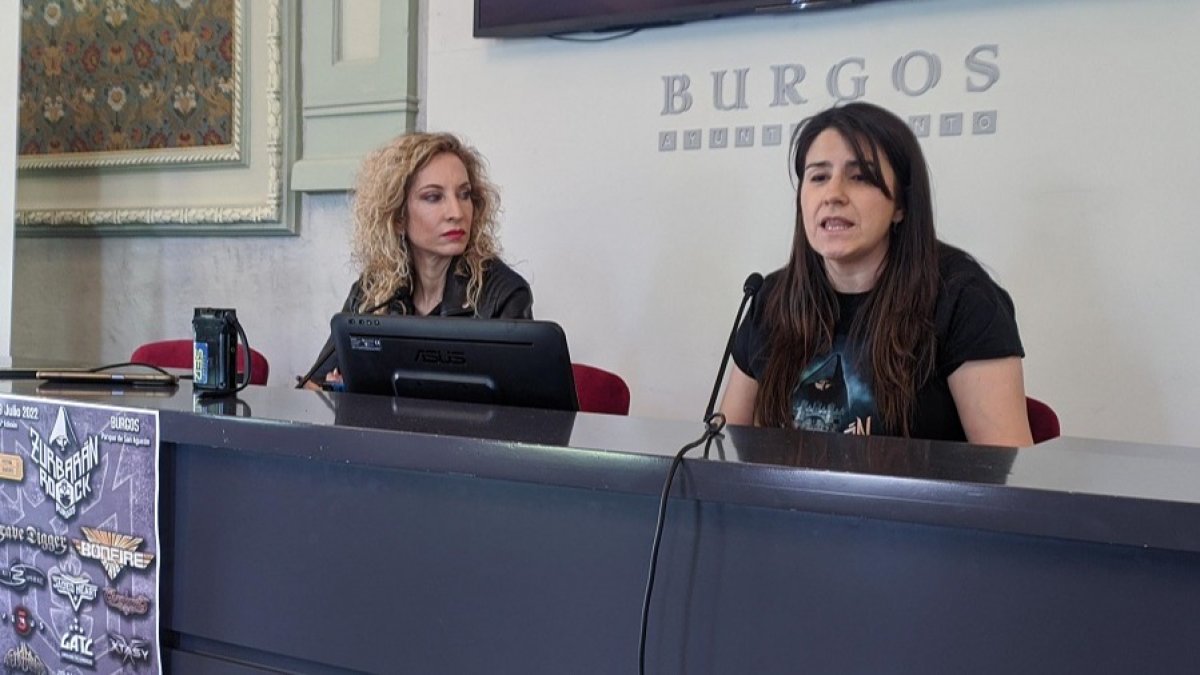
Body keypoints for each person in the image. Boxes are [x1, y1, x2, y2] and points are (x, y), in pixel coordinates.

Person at [720, 102, 1033, 446]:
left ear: (901, 205)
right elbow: (723, 450)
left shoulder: (962, 299)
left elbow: (1006, 471)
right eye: (819, 177)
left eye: (859, 177)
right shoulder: (771, 298)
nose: (833, 195)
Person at [302, 132, 532, 389]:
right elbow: (314, 386)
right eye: (433, 197)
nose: (456, 213)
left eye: (464, 194)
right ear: (398, 217)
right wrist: (337, 390)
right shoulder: (372, 290)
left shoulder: (503, 294)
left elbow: (516, 404)